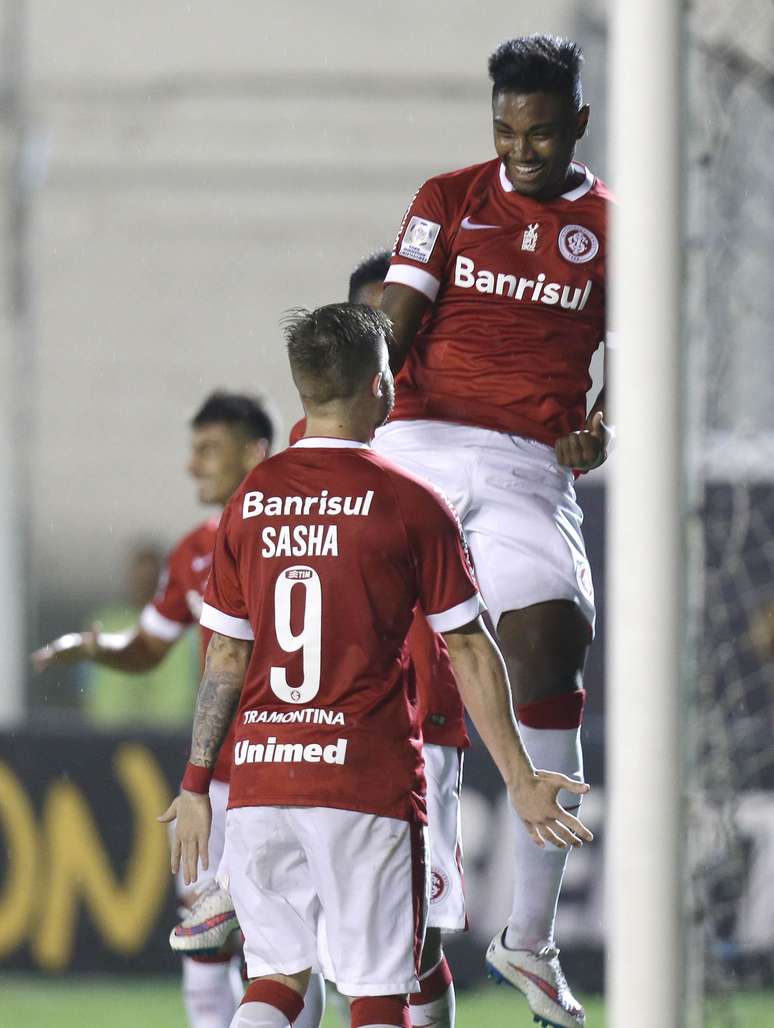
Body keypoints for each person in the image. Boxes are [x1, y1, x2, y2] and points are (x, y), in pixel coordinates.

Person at [161, 303, 592, 1028]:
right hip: (363, 781)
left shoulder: (250, 503)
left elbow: (226, 656)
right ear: (379, 387)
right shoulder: (411, 503)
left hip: (263, 783)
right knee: (379, 992)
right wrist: (520, 779)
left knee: (274, 982)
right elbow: (469, 649)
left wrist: (199, 784)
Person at [375, 35, 612, 1028]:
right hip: (416, 442)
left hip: (524, 464)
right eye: (507, 132)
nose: (521, 151)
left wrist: (610, 429)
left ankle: (528, 936)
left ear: (580, 127)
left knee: (552, 627)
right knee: (355, 653)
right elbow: (396, 309)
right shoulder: (447, 197)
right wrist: (356, 383)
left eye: (541, 134)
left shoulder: (614, 227)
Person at [30, 393, 331, 1028]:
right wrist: (92, 647)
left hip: (286, 767)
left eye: (207, 451)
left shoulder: (306, 537)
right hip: (216, 781)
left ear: (255, 452)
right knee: (202, 944)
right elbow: (146, 645)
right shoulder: (196, 548)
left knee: (279, 952)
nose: (192, 466)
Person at [288, 250, 468, 1027]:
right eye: (377, 324)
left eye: (402, 323)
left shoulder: (461, 428)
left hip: (418, 719)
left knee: (410, 941)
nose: (392, 340)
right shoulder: (311, 441)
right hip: (322, 728)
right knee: (321, 940)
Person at [78, 542, 199, 728]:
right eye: (140, 576)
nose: (144, 582)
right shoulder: (104, 624)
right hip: (109, 735)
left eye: (150, 577)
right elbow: (85, 687)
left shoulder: (187, 630)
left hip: (171, 735)